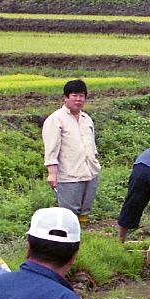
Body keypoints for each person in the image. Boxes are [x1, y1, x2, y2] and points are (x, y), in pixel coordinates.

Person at [42, 79, 100, 222]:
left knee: (85, 209)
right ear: (66, 98)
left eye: (81, 96)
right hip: (69, 174)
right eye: (74, 95)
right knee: (69, 212)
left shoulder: (87, 119)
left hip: (89, 171)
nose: (78, 99)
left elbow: (92, 145)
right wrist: (52, 173)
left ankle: (82, 236)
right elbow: (51, 149)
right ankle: (70, 239)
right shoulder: (56, 119)